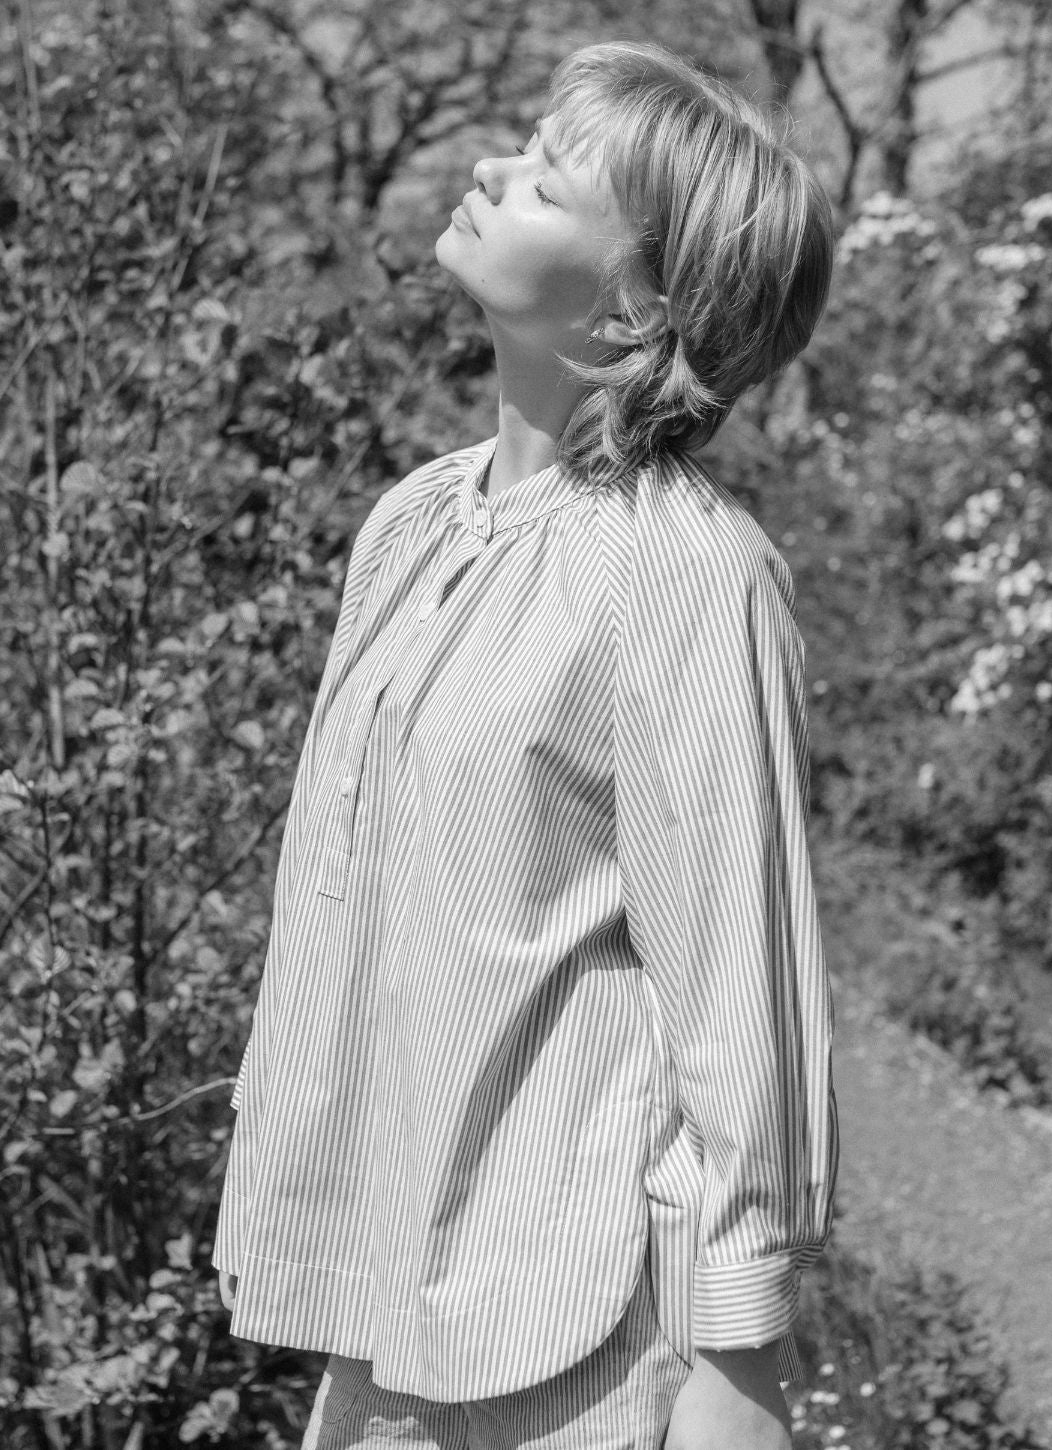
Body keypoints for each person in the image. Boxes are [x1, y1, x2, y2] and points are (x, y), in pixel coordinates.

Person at [213, 39, 839, 1450]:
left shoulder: (688, 572)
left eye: (551, 176)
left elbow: (737, 983)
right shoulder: (413, 524)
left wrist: (737, 1372)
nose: (492, 171)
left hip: (570, 1343)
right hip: (385, 1316)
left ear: (643, 304)